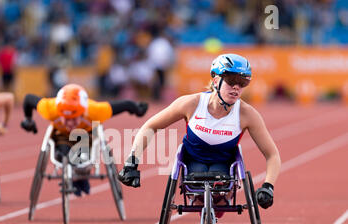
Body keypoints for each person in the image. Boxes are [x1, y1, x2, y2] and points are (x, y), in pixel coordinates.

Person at [118, 53, 281, 211]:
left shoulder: (247, 114)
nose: (236, 87)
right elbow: (150, 126)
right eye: (232, 81)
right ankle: (202, 200)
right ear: (216, 80)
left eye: (242, 82)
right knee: (199, 179)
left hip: (224, 166)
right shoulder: (191, 104)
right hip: (192, 162)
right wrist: (131, 162)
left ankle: (218, 203)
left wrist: (268, 186)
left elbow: (272, 154)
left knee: (218, 185)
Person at [20, 83, 148, 196]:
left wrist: (137, 109)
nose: (70, 123)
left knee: (82, 157)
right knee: (63, 153)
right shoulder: (50, 108)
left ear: (83, 113)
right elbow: (28, 99)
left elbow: (123, 105)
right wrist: (28, 120)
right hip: (61, 136)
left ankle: (81, 176)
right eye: (66, 118)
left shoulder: (95, 111)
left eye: (74, 118)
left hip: (86, 136)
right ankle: (72, 172)